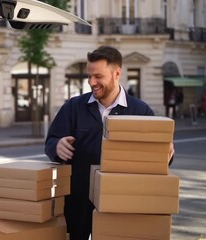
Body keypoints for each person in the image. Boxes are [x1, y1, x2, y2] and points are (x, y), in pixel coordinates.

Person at [44, 46, 174, 240]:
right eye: (89, 76)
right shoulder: (73, 107)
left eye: (98, 76)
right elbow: (50, 141)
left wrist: (167, 155)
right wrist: (56, 146)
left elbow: (157, 157)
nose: (91, 82)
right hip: (77, 200)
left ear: (117, 73)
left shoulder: (140, 111)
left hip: (123, 201)